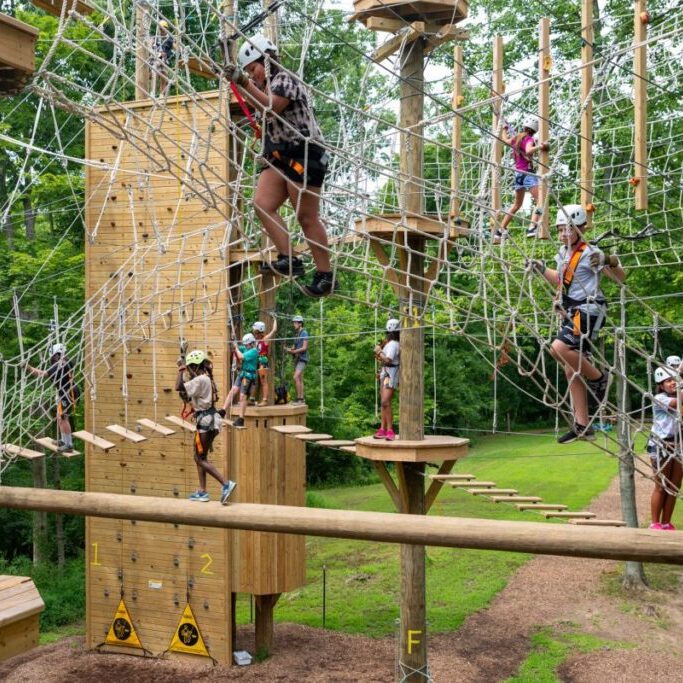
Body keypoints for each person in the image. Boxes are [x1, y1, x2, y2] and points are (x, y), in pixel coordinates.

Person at [224, 34, 336, 297]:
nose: (253, 77)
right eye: (250, 73)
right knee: (262, 204)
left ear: (266, 61)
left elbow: (272, 107)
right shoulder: (264, 86)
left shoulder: (285, 78)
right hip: (279, 156)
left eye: (254, 70)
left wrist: (244, 83)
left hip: (304, 152)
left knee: (305, 216)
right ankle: (290, 257)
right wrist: (239, 84)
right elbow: (259, 104)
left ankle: (325, 274)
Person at [527, 204, 626, 443]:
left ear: (581, 228)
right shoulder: (562, 253)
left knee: (559, 348)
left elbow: (621, 279)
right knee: (570, 368)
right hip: (572, 311)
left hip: (589, 310)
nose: (564, 235)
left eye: (568, 230)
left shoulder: (591, 252)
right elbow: (562, 280)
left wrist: (608, 260)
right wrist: (541, 269)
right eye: (561, 230)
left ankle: (599, 378)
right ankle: (583, 425)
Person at [175, 350, 236, 503]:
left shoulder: (200, 379)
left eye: (190, 367)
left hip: (206, 422)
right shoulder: (206, 378)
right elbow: (187, 394)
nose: (189, 370)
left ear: (195, 366)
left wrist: (180, 370)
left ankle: (226, 483)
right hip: (211, 420)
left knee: (198, 457)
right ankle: (202, 491)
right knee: (201, 457)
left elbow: (178, 386)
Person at [493, 117, 549, 244]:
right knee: (541, 200)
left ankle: (500, 231)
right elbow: (529, 150)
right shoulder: (529, 139)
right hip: (527, 174)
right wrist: (540, 147)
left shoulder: (516, 138)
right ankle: (532, 227)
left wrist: (504, 129)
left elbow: (505, 140)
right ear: (534, 131)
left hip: (518, 175)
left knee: (516, 205)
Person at [25, 344, 79, 453]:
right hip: (67, 392)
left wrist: (29, 368)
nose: (52, 358)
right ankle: (64, 441)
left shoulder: (59, 366)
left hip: (67, 394)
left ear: (57, 355)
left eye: (53, 356)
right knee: (60, 417)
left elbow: (42, 374)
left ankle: (68, 445)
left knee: (63, 418)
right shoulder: (67, 362)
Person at [647, 366, 682, 530]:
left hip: (678, 445)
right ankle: (655, 523)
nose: (672, 383)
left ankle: (666, 522)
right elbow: (676, 403)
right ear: (661, 385)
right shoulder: (660, 398)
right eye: (668, 381)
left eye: (674, 380)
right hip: (661, 445)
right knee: (661, 485)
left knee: (674, 487)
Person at [220, 334, 259, 427]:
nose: (246, 346)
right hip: (242, 374)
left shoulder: (254, 351)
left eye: (247, 344)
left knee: (242, 396)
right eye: (245, 345)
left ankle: (241, 418)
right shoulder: (246, 348)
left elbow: (241, 356)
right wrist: (234, 342)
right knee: (233, 391)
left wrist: (236, 349)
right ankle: (223, 411)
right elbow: (237, 347)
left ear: (252, 343)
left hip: (249, 376)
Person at [373, 318, 400, 441]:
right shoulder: (390, 344)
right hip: (386, 373)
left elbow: (388, 359)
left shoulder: (393, 344)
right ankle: (383, 429)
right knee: (383, 403)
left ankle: (390, 430)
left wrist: (379, 352)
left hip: (391, 373)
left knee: (385, 401)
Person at [252, 319, 278, 406]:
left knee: (263, 381)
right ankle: (252, 398)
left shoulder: (265, 338)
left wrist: (274, 319)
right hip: (258, 361)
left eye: (255, 332)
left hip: (263, 361)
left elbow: (274, 330)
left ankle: (265, 400)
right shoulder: (256, 340)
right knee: (254, 380)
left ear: (259, 331)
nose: (254, 334)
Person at [285, 315, 308, 404]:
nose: (294, 324)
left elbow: (305, 347)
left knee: (296, 377)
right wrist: (289, 349)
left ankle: (299, 399)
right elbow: (294, 347)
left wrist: (294, 352)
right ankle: (301, 398)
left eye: (295, 323)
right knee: (300, 379)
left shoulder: (304, 333)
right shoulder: (297, 334)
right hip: (297, 359)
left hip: (302, 359)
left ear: (300, 323)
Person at [153, 20, 175, 94]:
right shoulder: (155, 38)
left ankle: (162, 95)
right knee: (154, 74)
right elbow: (149, 45)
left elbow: (176, 47)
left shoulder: (169, 39)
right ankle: (153, 92)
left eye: (163, 28)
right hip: (155, 59)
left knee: (164, 77)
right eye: (160, 29)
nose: (162, 30)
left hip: (164, 61)